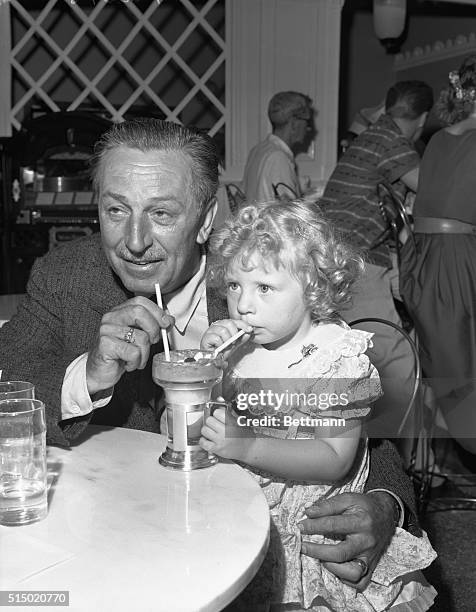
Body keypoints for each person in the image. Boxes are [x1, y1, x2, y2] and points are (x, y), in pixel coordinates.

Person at [0, 118, 418, 589]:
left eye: (161, 215)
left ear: (203, 222)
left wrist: (385, 505)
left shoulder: (263, 283)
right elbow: (9, 385)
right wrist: (89, 375)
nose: (134, 242)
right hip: (110, 542)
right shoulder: (65, 276)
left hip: (246, 548)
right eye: (117, 211)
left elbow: (358, 431)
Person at [199, 200, 436, 611]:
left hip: (310, 523)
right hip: (243, 506)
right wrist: (210, 370)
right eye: (235, 285)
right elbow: (211, 417)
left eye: (265, 288)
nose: (243, 305)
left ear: (311, 286)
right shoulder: (240, 347)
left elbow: (334, 459)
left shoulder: (336, 359)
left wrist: (246, 445)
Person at [320, 81, 434, 458]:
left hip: (344, 254)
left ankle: (421, 450)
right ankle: (407, 464)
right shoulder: (391, 142)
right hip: (356, 259)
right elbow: (436, 192)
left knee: (423, 313)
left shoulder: (372, 135)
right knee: (396, 361)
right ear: (423, 117)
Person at [400, 56, 476, 455]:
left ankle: (435, 411)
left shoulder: (440, 138)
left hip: (423, 263)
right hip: (455, 266)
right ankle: (455, 421)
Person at [242, 91, 314, 202]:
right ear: (294, 123)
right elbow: (290, 215)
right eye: (307, 121)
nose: (309, 128)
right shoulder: (278, 158)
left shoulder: (258, 150)